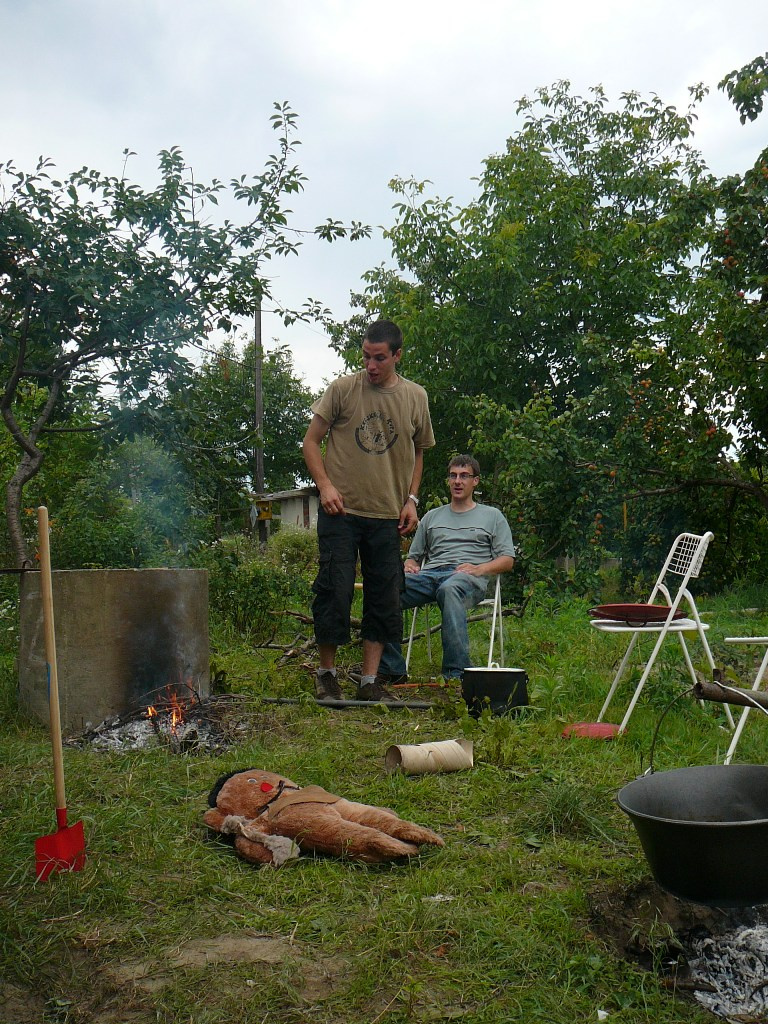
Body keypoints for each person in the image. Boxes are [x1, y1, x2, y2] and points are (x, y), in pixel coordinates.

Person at [303, 319, 435, 701]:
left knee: (384, 596)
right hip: (341, 512)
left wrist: (412, 499)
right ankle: (326, 674)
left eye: (380, 358)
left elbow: (420, 451)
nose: (371, 365)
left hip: (387, 517)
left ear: (397, 355)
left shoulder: (415, 397)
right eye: (366, 356)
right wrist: (325, 486)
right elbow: (311, 443)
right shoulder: (343, 389)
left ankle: (369, 681)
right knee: (335, 590)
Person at [377, 455, 515, 684]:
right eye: (453, 476)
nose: (458, 481)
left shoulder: (492, 516)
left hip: (466, 578)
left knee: (449, 589)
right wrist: (410, 566)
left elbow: (507, 560)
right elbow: (413, 558)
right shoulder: (432, 517)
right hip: (430, 575)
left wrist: (480, 569)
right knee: (387, 588)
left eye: (464, 476)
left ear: (476, 481)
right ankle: (392, 669)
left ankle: (455, 674)